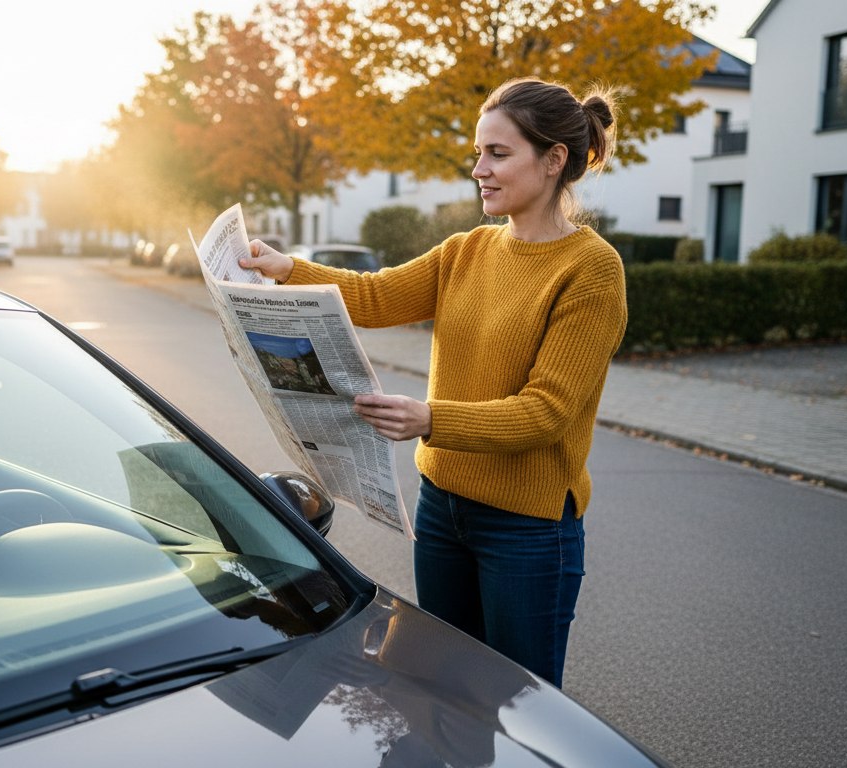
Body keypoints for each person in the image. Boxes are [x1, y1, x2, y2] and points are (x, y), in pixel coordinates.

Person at [238, 77, 627, 687]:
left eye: (498, 154)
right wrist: (286, 269)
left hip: (526, 529)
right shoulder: (466, 250)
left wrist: (430, 419)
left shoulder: (592, 270)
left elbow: (545, 412)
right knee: (439, 689)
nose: (480, 169)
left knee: (520, 707)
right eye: (478, 153)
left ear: (553, 160)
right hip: (443, 508)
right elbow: (373, 294)